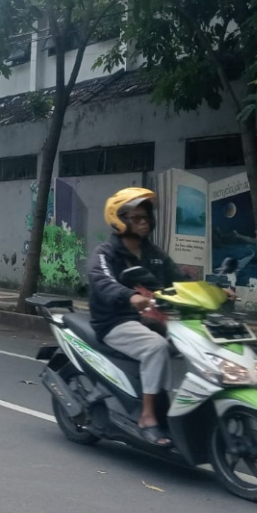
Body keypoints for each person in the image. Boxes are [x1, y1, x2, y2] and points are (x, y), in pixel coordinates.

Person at [88, 188, 196, 447]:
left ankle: (166, 406)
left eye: (145, 216)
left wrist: (214, 291)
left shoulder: (153, 254)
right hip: (114, 322)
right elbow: (101, 280)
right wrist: (129, 296)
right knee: (155, 347)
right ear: (119, 220)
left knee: (186, 340)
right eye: (135, 217)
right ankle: (147, 417)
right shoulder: (106, 253)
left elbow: (180, 280)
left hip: (146, 320)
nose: (143, 222)